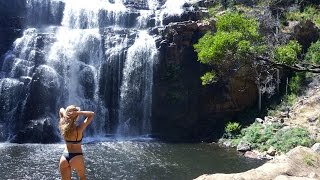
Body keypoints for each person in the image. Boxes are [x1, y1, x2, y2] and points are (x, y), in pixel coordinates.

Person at [58, 105, 94, 180]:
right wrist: (78, 112)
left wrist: (65, 115)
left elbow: (61, 109)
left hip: (64, 157)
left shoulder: (63, 125)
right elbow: (91, 114)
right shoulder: (79, 129)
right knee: (82, 178)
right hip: (76, 157)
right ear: (76, 116)